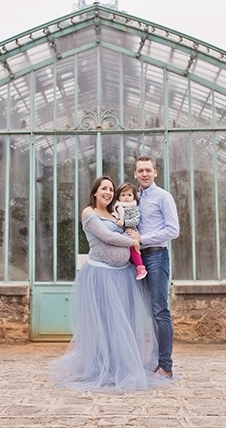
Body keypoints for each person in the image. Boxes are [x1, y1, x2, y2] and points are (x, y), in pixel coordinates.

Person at [49, 176, 171, 392]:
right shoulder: (89, 213)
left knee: (121, 324)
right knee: (104, 323)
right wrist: (133, 241)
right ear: (95, 192)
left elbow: (130, 226)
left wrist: (132, 233)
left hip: (122, 275)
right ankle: (100, 368)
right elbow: (106, 236)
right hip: (101, 275)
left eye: (111, 189)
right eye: (104, 188)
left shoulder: (114, 213)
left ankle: (120, 367)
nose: (108, 192)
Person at [134, 156, 179, 379]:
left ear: (155, 172)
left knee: (160, 311)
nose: (144, 174)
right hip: (138, 260)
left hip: (156, 256)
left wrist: (143, 239)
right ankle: (154, 361)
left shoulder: (163, 197)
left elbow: (173, 230)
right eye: (140, 170)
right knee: (150, 313)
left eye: (148, 170)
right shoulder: (135, 198)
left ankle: (166, 366)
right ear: (135, 174)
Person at [112, 182, 147, 280]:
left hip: (131, 232)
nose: (126, 197)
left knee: (132, 248)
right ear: (118, 197)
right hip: (122, 234)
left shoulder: (134, 208)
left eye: (129, 195)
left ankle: (141, 267)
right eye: (123, 195)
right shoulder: (117, 207)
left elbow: (135, 221)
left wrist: (124, 223)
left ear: (134, 197)